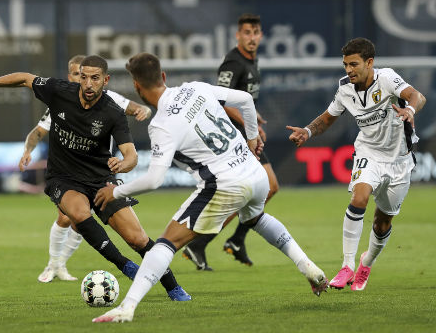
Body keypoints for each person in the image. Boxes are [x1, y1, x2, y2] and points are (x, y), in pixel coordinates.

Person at [92, 53, 328, 323]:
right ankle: (308, 267)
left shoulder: (162, 125)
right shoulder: (194, 87)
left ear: (136, 86)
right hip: (254, 173)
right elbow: (246, 100)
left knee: (166, 243)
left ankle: (127, 307)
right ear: (164, 76)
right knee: (256, 218)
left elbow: (154, 180)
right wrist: (252, 137)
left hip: (224, 183)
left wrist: (116, 192)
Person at [0, 55, 190, 301]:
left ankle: (173, 286)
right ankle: (123, 265)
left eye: (95, 78)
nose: (88, 84)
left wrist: (123, 165)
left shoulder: (113, 112)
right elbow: (25, 79)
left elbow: (131, 155)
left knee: (137, 238)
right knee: (79, 214)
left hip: (100, 179)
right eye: (84, 77)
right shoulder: (60, 92)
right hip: (63, 177)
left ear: (105, 80)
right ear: (78, 77)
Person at [286, 37, 426, 291]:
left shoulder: (386, 78)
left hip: (399, 161)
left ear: (369, 62)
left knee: (382, 223)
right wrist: (307, 131)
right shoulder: (344, 89)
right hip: (368, 153)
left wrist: (411, 111)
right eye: (345, 65)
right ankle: (347, 265)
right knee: (358, 198)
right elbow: (328, 118)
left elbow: (417, 96)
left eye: (353, 64)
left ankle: (366, 263)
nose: (348, 70)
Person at [19, 54, 152, 283]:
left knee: (117, 232)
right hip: (68, 175)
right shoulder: (62, 100)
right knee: (68, 218)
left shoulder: (110, 100)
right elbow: (38, 131)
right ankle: (55, 264)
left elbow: (136, 108)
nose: (81, 81)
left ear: (103, 79)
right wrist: (27, 150)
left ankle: (60, 264)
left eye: (89, 76)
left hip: (100, 175)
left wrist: (144, 110)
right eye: (76, 75)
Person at [183, 13, 277, 270]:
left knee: (269, 187)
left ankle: (232, 240)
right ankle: (202, 243)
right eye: (247, 32)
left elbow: (240, 98)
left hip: (246, 133)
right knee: (258, 189)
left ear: (261, 35)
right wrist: (250, 126)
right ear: (238, 35)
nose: (252, 37)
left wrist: (253, 115)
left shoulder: (252, 61)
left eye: (256, 32)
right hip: (234, 137)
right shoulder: (232, 63)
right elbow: (220, 102)